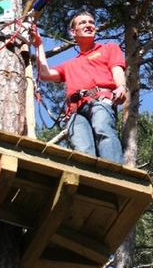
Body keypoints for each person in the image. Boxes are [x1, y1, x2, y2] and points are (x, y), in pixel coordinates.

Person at [33, 11, 126, 163]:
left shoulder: (109, 48)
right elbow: (45, 74)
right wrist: (38, 44)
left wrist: (121, 86)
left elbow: (117, 69)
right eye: (83, 23)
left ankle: (114, 173)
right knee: (82, 149)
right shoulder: (70, 65)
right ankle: (89, 182)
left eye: (91, 22)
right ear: (73, 32)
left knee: (103, 130)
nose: (89, 25)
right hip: (75, 111)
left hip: (100, 100)